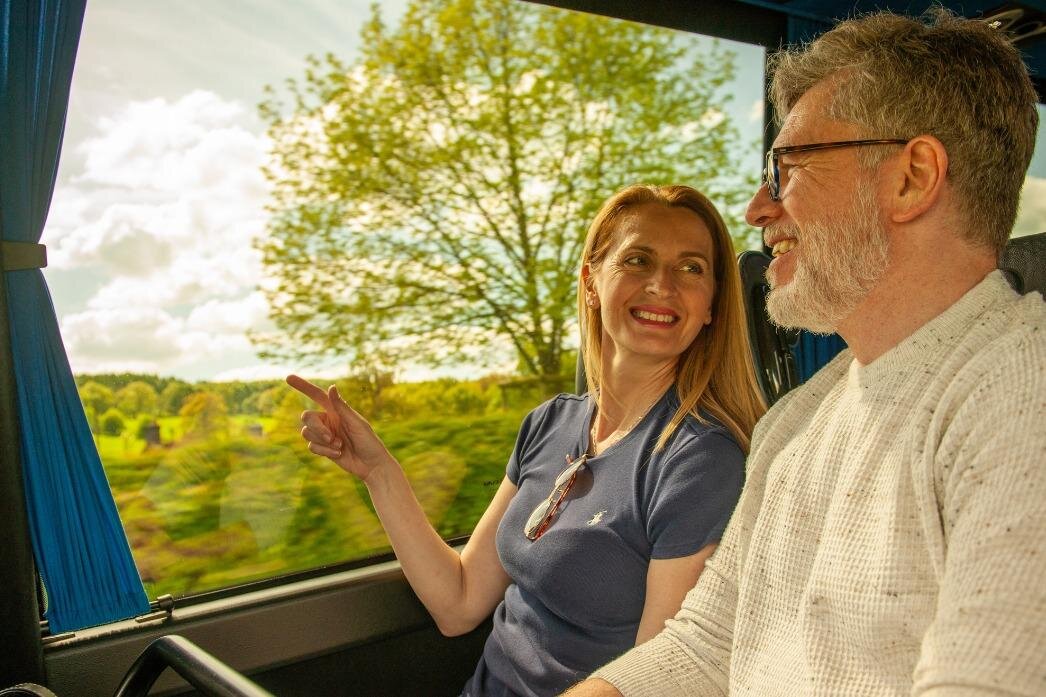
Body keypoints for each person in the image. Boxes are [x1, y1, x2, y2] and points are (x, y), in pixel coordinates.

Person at [566, 9, 1046, 697]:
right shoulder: (796, 421)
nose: (758, 208)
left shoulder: (1021, 395)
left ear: (912, 178)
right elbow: (708, 644)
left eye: (787, 167)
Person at [287, 184, 766, 696]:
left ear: (711, 304)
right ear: (591, 283)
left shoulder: (698, 461)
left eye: (691, 268)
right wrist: (379, 472)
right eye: (638, 260)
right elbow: (459, 603)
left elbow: (656, 680)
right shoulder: (548, 423)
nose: (662, 285)